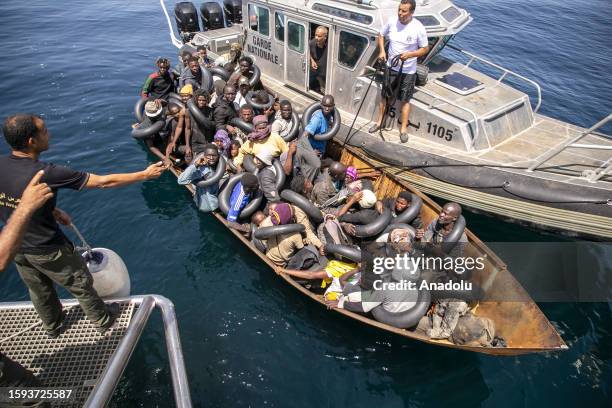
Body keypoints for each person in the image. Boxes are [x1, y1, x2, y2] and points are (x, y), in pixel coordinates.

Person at [0, 114, 166, 337]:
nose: (48, 134)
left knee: (39, 289)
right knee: (81, 283)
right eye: (44, 131)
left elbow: (13, 199)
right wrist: (144, 174)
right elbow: (104, 182)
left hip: (17, 247)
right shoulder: (46, 173)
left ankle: (53, 325)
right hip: (49, 248)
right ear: (31, 141)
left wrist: (50, 210)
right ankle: (103, 321)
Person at [370, 0, 429, 143]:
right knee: (385, 96)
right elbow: (381, 34)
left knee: (405, 100)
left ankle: (403, 129)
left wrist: (410, 55)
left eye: (404, 11)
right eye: (399, 10)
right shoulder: (391, 21)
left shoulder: (418, 27)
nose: (400, 14)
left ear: (412, 13)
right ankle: (379, 123)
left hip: (408, 71)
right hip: (391, 67)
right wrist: (382, 51)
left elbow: (425, 49)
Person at [0, 171, 53, 272]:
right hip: (34, 249)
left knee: (37, 286)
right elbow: (1, 261)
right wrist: (25, 206)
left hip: (19, 250)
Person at [296, 95, 336, 182]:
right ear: (321, 105)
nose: (327, 108)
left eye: (329, 106)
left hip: (320, 152)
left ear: (333, 106)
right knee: (306, 177)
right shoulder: (317, 119)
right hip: (312, 152)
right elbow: (304, 136)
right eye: (325, 106)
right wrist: (309, 152)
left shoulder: (329, 116)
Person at [177, 145, 222, 212]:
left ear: (218, 156)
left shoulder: (221, 166)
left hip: (218, 204)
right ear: (204, 156)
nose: (211, 158)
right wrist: (195, 165)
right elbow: (181, 181)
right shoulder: (201, 169)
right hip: (205, 206)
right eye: (208, 155)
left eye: (214, 155)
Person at [135, 100, 174, 166]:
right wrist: (164, 158)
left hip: (160, 133)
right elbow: (151, 146)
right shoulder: (147, 126)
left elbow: (167, 105)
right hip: (155, 141)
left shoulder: (157, 112)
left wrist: (161, 101)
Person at [189, 89, 216, 156]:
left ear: (207, 100)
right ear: (196, 100)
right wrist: (187, 145)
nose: (201, 102)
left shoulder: (210, 111)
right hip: (196, 142)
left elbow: (214, 124)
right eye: (199, 100)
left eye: (203, 100)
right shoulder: (191, 111)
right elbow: (187, 128)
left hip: (208, 141)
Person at [309, 26, 329, 93]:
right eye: (315, 35)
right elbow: (307, 51)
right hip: (314, 73)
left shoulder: (330, 46)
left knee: (324, 91)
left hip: (324, 76)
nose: (316, 38)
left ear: (325, 37)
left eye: (319, 36)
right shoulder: (312, 43)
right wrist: (312, 60)